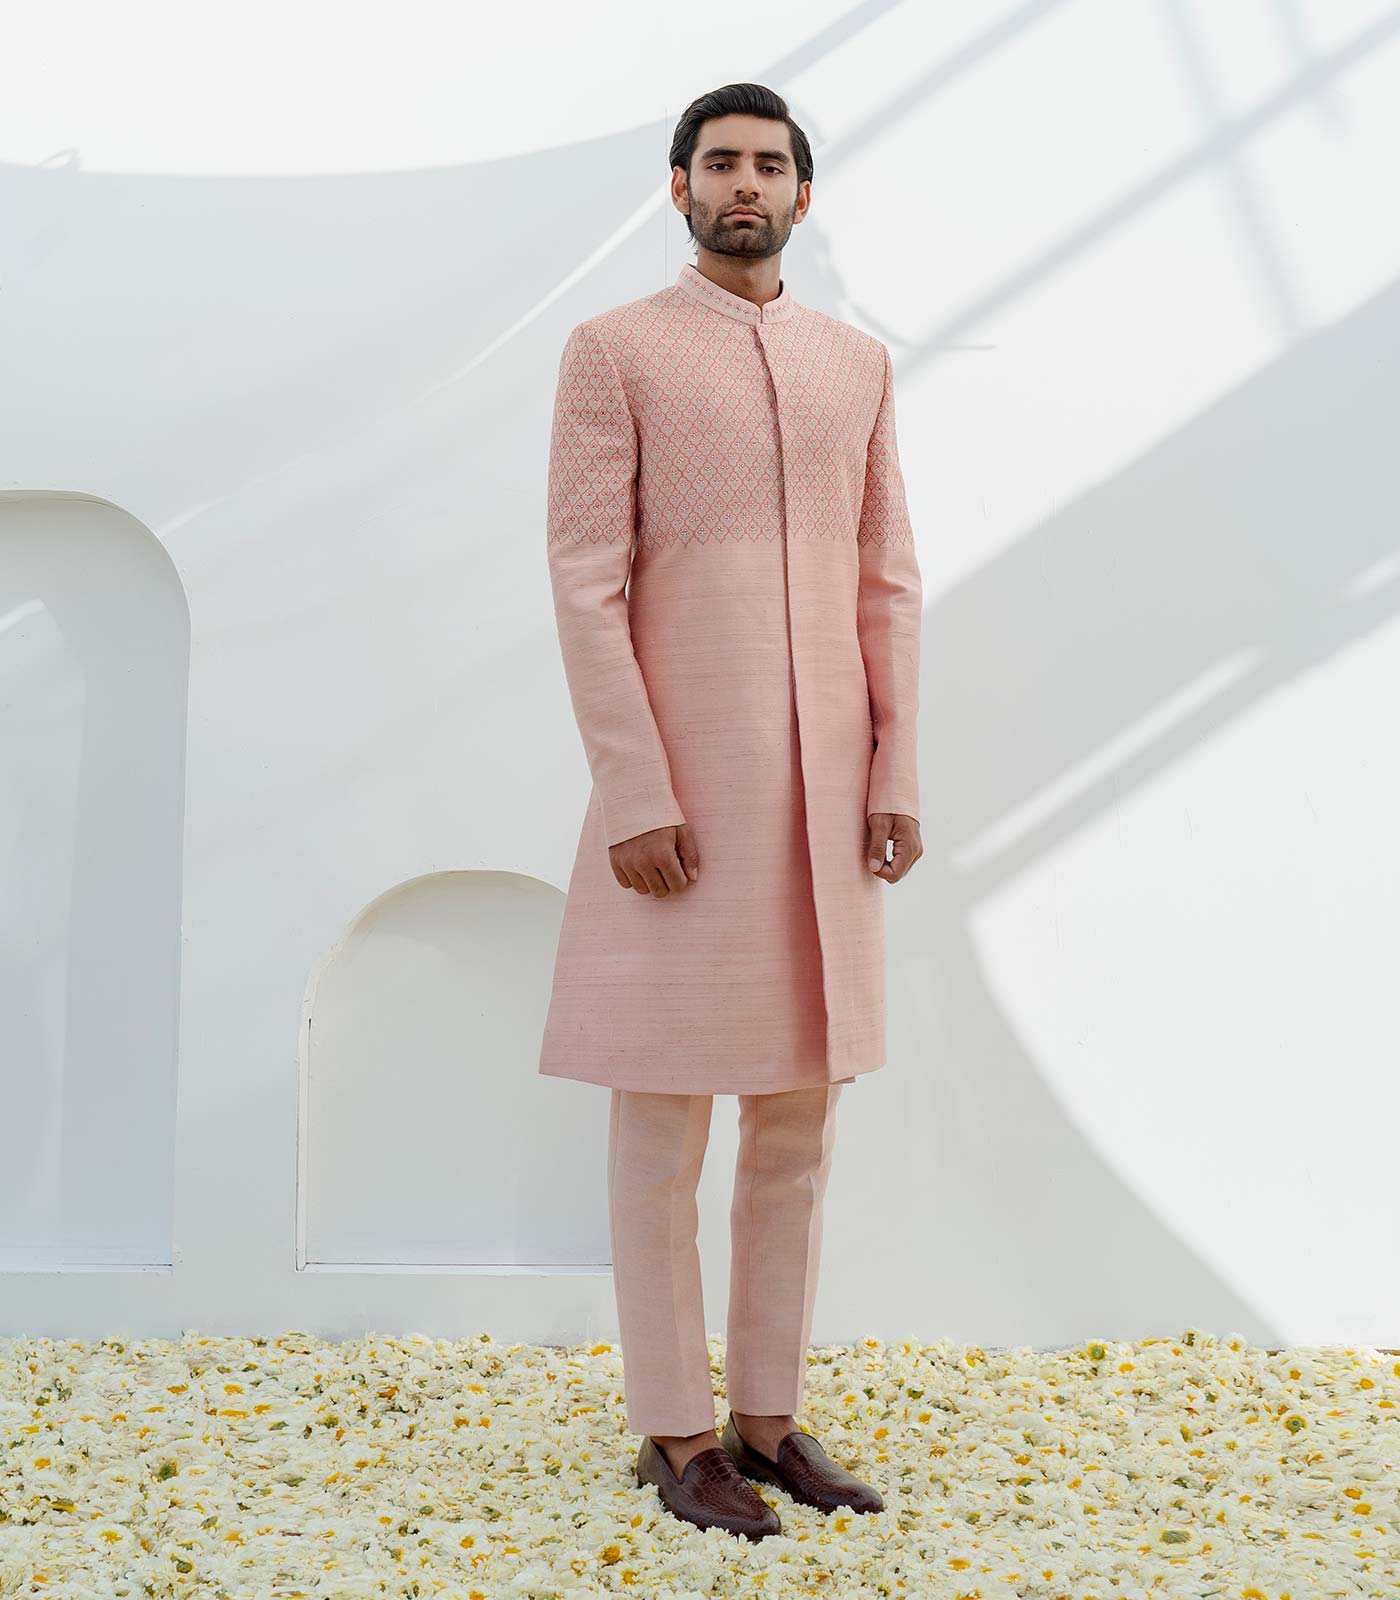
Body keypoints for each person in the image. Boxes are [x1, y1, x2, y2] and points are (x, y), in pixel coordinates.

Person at [538, 81, 923, 1541]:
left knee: (797, 1120)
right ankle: (674, 1432)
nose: (743, 183)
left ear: (804, 195)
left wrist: (895, 771)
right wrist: (634, 790)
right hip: (684, 807)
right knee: (661, 1123)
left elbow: (888, 578)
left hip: (826, 806)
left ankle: (767, 1420)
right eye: (720, 163)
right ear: (680, 187)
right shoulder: (615, 350)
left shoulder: (855, 365)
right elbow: (585, 583)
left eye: (769, 164)